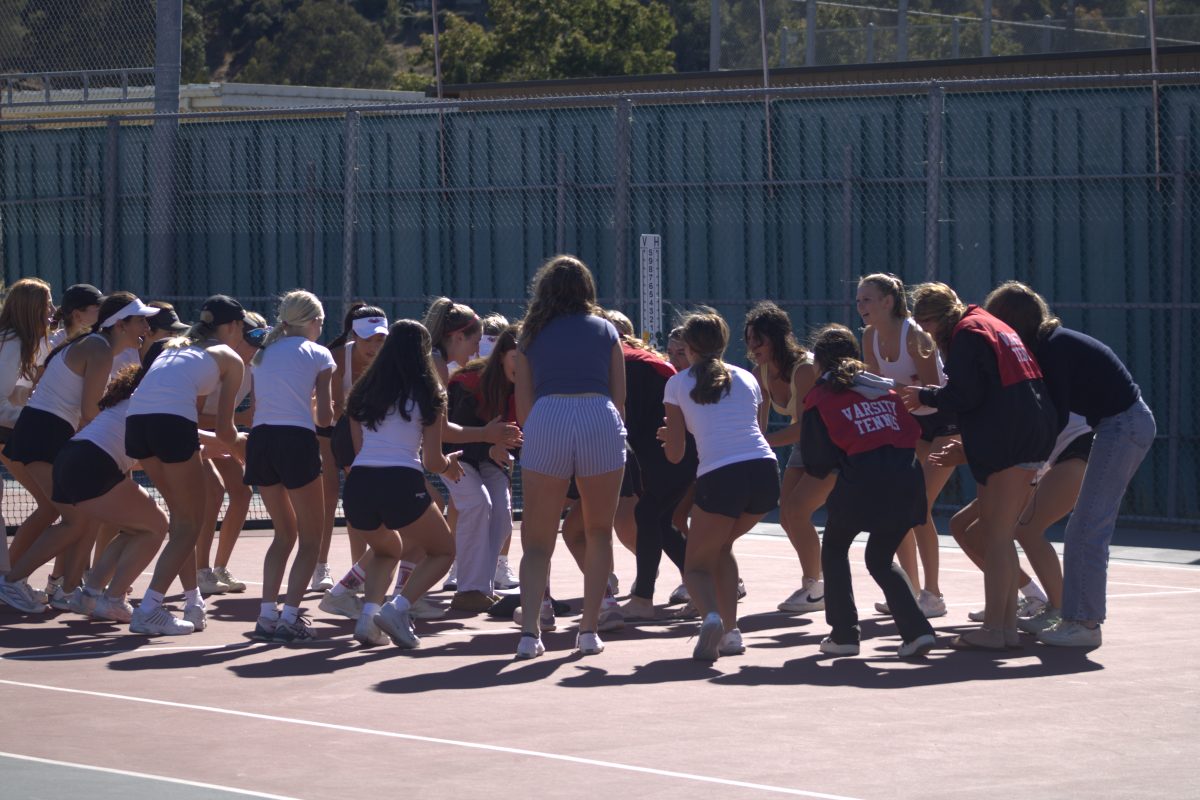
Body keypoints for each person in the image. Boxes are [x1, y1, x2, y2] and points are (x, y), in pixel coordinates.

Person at [983, 281, 1155, 648]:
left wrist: (1032, 468)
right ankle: (1071, 615)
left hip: (1123, 426)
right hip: (1116, 425)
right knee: (1083, 525)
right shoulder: (1049, 345)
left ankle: (1085, 624)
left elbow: (1055, 416)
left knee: (1088, 526)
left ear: (1011, 323)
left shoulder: (1053, 350)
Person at [900, 283, 1055, 651]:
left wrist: (922, 395)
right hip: (1027, 429)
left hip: (1012, 437)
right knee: (991, 532)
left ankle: (995, 630)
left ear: (934, 318)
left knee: (997, 536)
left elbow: (963, 397)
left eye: (925, 324)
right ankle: (1004, 628)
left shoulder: (967, 334)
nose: (925, 332)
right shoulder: (983, 322)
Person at [0, 292, 158, 613]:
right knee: (73, 519)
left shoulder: (97, 346)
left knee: (82, 516)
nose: (146, 325)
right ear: (119, 324)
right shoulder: (98, 349)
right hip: (43, 435)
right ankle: (13, 581)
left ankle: (66, 590)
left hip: (47, 433)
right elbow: (89, 411)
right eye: (140, 319)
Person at [513, 255, 626, 658]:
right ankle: (590, 630)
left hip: (548, 417)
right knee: (599, 531)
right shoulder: (607, 329)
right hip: (599, 415)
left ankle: (529, 635)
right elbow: (619, 397)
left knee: (537, 540)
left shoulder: (529, 334)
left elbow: (523, 409)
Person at [800, 324, 936, 658]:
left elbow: (817, 461)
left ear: (819, 363)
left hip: (864, 481)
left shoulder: (821, 396)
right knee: (879, 557)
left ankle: (844, 633)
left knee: (833, 547)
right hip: (908, 479)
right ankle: (917, 631)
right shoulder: (884, 389)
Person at [122, 294, 246, 636]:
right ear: (233, 326)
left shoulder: (170, 347)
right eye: (241, 328)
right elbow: (225, 431)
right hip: (169, 426)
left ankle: (193, 602)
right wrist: (247, 450)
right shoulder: (230, 359)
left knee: (183, 520)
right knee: (190, 522)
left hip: (136, 425)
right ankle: (149, 609)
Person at [659, 308, 778, 661]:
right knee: (722, 546)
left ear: (689, 347)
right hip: (765, 473)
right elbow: (753, 426)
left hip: (722, 476)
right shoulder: (747, 377)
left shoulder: (677, 383)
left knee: (696, 565)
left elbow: (676, 455)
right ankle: (732, 633)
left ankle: (710, 617)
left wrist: (669, 438)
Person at [342, 320, 461, 648]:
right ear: (424, 353)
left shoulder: (363, 391)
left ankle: (368, 619)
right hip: (400, 482)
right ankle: (398, 608)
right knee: (444, 550)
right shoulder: (430, 392)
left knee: (386, 549)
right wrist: (451, 466)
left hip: (358, 486)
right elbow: (433, 462)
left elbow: (358, 449)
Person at [856, 273, 957, 618]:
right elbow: (876, 387)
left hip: (944, 422)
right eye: (858, 301)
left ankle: (933, 594)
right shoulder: (869, 337)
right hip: (909, 424)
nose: (861, 307)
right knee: (902, 507)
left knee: (919, 507)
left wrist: (898, 386)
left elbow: (932, 388)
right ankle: (910, 592)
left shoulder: (914, 335)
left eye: (867, 299)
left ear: (888, 301)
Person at [245, 290, 335, 643]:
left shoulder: (262, 355)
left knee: (283, 534)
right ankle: (291, 618)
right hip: (295, 442)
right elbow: (325, 418)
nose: (321, 329)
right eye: (321, 323)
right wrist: (313, 404)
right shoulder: (320, 355)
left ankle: (268, 616)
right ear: (312, 322)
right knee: (311, 540)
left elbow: (259, 406)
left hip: (261, 442)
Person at [743, 301, 828, 615]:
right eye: (749, 340)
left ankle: (816, 586)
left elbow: (806, 426)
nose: (753, 347)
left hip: (833, 444)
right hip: (804, 447)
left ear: (778, 338)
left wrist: (764, 441)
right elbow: (757, 423)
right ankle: (816, 583)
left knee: (797, 511)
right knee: (788, 515)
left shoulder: (804, 369)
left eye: (759, 340)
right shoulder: (760, 372)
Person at [445, 324, 521, 612]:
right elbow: (447, 439)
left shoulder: (526, 387)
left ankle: (481, 589)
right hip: (457, 456)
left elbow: (518, 436)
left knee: (501, 513)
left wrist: (506, 449)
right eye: (517, 357)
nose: (524, 365)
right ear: (502, 355)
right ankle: (466, 588)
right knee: (478, 504)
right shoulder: (466, 382)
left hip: (491, 460)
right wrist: (488, 445)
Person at [313, 303, 389, 591]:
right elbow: (330, 412)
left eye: (380, 339)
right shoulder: (335, 359)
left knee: (361, 501)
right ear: (353, 336)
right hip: (329, 430)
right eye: (367, 339)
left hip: (366, 432)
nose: (373, 346)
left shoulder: (389, 362)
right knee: (329, 496)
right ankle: (320, 567)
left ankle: (360, 573)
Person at [194, 312, 267, 595]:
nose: (258, 347)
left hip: (223, 433)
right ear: (235, 337)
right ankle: (201, 571)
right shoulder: (214, 365)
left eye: (263, 339)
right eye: (253, 339)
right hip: (192, 433)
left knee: (242, 492)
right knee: (213, 491)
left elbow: (249, 415)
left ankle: (219, 568)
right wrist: (230, 432)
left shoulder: (254, 368)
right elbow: (193, 416)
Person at [0, 278, 54, 584]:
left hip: (14, 433)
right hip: (9, 433)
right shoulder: (12, 344)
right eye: (47, 303)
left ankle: (9, 577)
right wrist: (35, 420)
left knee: (49, 505)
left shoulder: (29, 342)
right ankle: (10, 579)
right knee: (51, 505)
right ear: (32, 308)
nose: (52, 309)